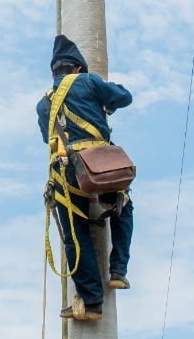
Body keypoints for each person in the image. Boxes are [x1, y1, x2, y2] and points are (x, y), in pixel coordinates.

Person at [38, 34, 134, 321]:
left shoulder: (44, 103)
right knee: (122, 207)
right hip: (100, 165)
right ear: (78, 68)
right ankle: (117, 271)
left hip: (65, 173)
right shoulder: (88, 82)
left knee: (74, 235)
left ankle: (92, 302)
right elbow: (124, 97)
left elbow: (48, 138)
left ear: (55, 72)